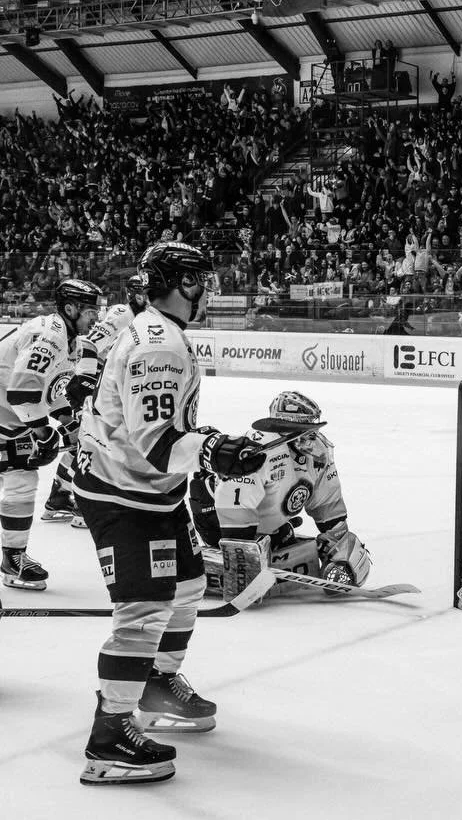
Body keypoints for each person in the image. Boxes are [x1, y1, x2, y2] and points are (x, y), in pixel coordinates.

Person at [72, 242, 266, 786]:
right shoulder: (158, 345)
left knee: (185, 586)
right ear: (183, 283)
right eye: (202, 279)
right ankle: (107, 741)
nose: (208, 290)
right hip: (124, 493)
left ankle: (155, 684)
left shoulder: (154, 329)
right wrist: (214, 452)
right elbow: (157, 443)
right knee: (144, 609)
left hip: (146, 489)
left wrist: (205, 448)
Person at [189, 391, 371, 596]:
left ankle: (271, 543)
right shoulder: (258, 450)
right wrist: (243, 557)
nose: (310, 438)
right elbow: (234, 503)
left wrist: (338, 545)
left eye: (311, 427)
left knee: (346, 548)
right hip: (216, 515)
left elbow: (328, 505)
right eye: (302, 429)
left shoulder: (318, 452)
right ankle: (207, 565)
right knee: (252, 562)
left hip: (267, 521)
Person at [0, 278, 102, 590]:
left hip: (9, 416)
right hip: (9, 413)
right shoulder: (50, 337)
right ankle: (12, 558)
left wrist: (69, 423)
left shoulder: (67, 338)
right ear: (70, 309)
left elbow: (49, 388)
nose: (96, 318)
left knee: (21, 479)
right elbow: (21, 391)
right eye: (90, 312)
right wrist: (44, 434)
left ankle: (12, 558)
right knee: (20, 479)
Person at [46, 274, 148, 529]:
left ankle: (59, 498)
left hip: (99, 381)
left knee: (85, 440)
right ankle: (82, 506)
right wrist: (87, 381)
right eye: (146, 292)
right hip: (90, 382)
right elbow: (90, 341)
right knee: (95, 442)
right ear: (137, 294)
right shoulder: (123, 313)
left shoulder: (139, 318)